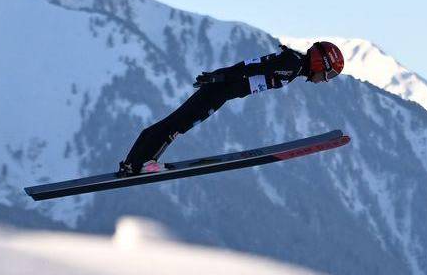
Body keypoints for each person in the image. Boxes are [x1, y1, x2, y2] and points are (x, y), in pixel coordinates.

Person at [117, 41, 347, 176]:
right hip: (222, 90)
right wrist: (220, 77)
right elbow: (253, 67)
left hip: (223, 90)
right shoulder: (292, 65)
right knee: (177, 126)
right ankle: (144, 164)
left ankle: (132, 163)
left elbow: (253, 66)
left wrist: (221, 75)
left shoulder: (293, 64)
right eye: (329, 74)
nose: (326, 79)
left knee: (175, 123)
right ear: (321, 64)